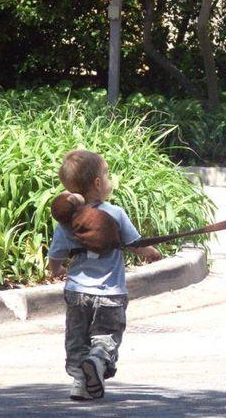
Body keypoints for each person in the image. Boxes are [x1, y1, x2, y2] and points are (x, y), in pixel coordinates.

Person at [47, 149, 161, 400]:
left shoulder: (67, 220)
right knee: (105, 337)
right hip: (110, 293)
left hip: (77, 291)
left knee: (77, 339)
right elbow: (136, 243)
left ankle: (80, 383)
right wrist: (150, 252)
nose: (109, 179)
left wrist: (56, 270)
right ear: (98, 183)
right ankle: (97, 361)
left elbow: (56, 254)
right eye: (107, 175)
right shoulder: (115, 213)